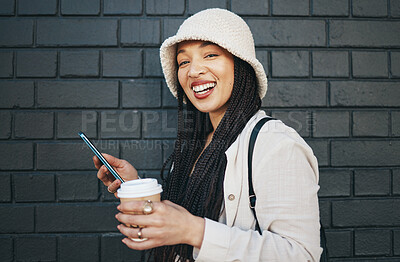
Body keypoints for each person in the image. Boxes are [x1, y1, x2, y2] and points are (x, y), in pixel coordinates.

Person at [94, 8, 322, 262]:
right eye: (183, 61)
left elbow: (301, 255)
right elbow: (181, 218)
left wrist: (195, 231)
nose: (193, 71)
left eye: (210, 55)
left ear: (241, 65)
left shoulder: (277, 145)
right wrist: (136, 188)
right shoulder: (198, 144)